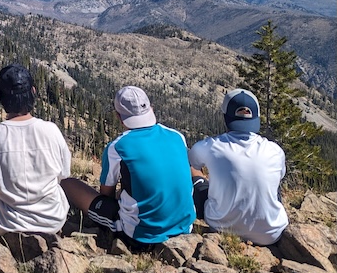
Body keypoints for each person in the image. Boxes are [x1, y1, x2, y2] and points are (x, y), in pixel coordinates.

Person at [63, 86, 195, 251]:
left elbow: (106, 194)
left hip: (140, 236)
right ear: (150, 108)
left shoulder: (117, 147)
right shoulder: (177, 136)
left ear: (118, 116)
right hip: (184, 228)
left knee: (68, 183)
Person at [0, 64, 70, 235]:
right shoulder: (51, 130)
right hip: (52, 220)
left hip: (6, 223)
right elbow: (64, 173)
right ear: (33, 92)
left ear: (1, 98)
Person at [188, 88, 288, 245]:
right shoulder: (275, 150)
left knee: (194, 172)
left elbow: (193, 164)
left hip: (220, 226)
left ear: (225, 117)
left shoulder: (208, 146)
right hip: (271, 234)